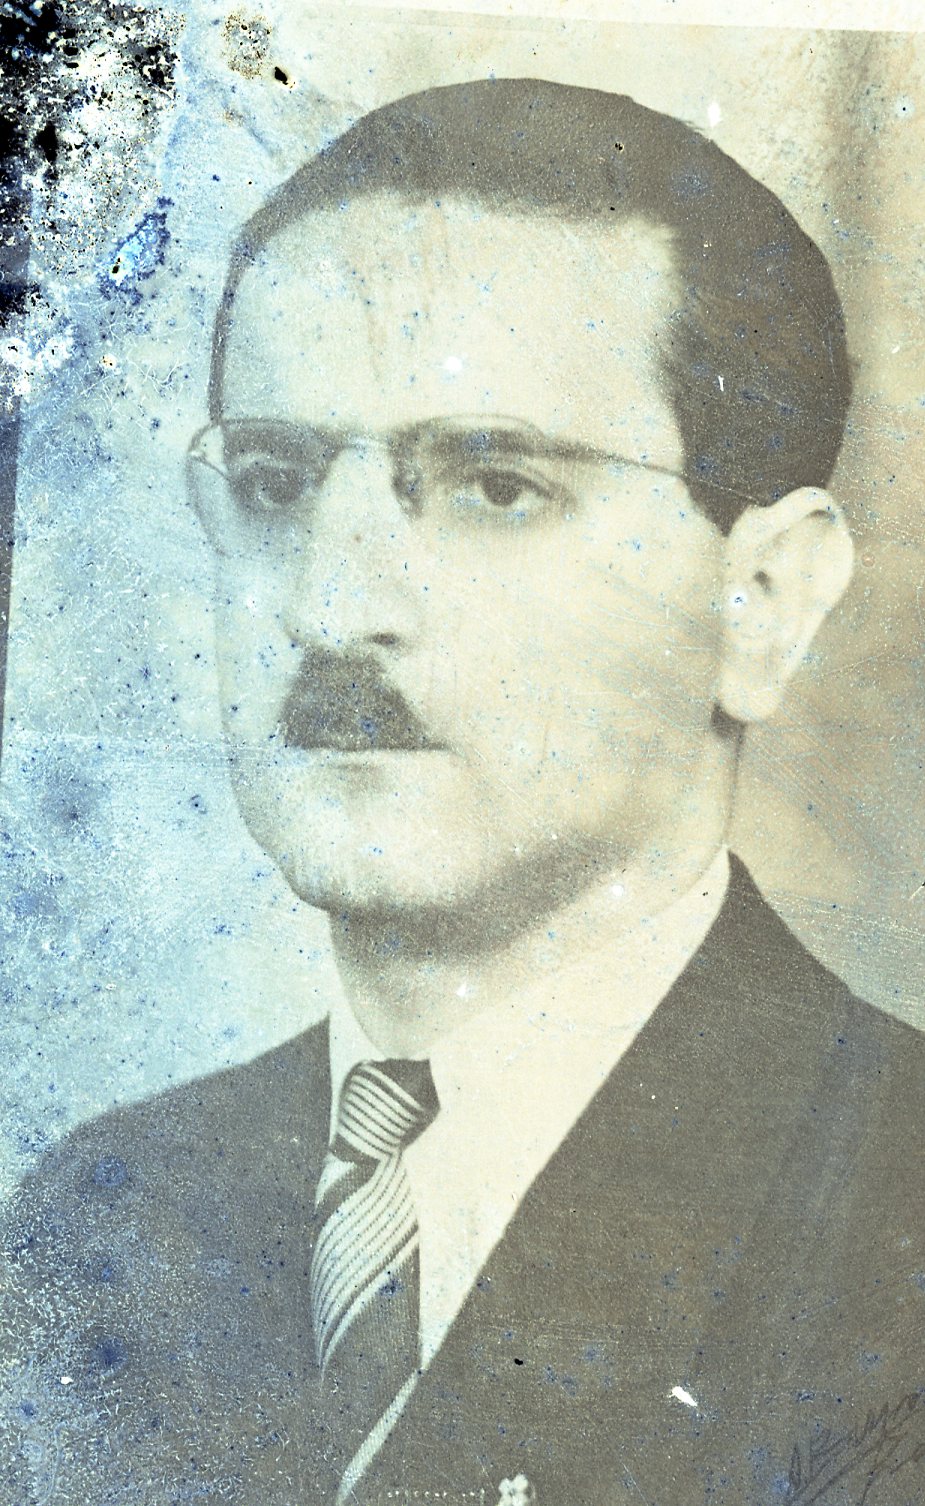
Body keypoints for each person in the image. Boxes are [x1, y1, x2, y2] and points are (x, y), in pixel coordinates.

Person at [4, 79, 924, 1506]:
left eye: (495, 485)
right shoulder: (100, 1213)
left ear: (761, 596)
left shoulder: (891, 1217)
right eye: (275, 481)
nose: (332, 604)